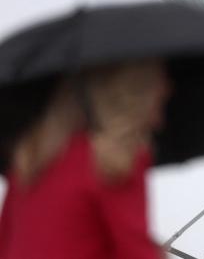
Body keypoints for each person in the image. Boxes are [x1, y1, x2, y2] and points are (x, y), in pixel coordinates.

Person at [0, 60, 170, 259]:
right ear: (133, 96)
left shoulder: (32, 158)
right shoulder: (112, 162)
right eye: (157, 98)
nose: (167, 88)